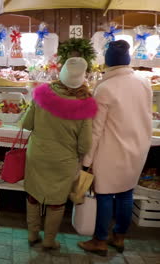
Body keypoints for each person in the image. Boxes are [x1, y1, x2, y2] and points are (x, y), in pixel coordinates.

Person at [78, 40, 152, 256]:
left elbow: (96, 130)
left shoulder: (105, 88)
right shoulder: (143, 82)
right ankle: (119, 237)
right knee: (126, 194)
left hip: (111, 151)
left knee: (104, 194)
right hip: (137, 148)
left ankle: (100, 240)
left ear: (108, 62)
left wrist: (87, 162)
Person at [21, 57, 98, 250]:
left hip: (37, 154)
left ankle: (32, 234)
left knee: (33, 194)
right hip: (64, 160)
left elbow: (26, 124)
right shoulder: (85, 103)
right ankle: (49, 240)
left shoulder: (43, 94)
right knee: (57, 201)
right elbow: (85, 144)